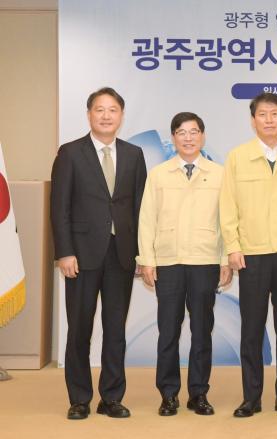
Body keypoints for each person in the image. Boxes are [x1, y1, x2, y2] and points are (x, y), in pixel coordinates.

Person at [51, 87, 147, 419]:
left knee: (115, 329)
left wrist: (141, 254)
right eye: (100, 109)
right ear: (89, 114)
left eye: (112, 110)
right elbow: (59, 207)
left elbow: (140, 208)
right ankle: (79, 399)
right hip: (81, 255)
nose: (106, 116)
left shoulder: (134, 154)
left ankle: (112, 397)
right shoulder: (70, 152)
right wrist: (64, 252)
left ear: (121, 115)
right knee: (80, 329)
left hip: (121, 254)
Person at [220, 93, 277, 418]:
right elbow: (228, 206)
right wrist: (233, 246)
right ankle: (251, 397)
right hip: (252, 253)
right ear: (253, 120)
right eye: (263, 114)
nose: (269, 120)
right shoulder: (237, 157)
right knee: (251, 329)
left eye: (275, 114)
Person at [137, 112, 232, 416]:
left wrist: (225, 259)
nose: (188, 138)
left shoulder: (219, 174)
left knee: (202, 331)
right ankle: (168, 394)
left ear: (202, 136)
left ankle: (198, 393)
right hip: (169, 261)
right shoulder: (159, 174)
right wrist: (147, 260)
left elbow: (227, 220)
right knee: (168, 331)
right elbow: (147, 219)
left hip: (205, 260)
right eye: (181, 132)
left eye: (193, 132)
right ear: (173, 138)